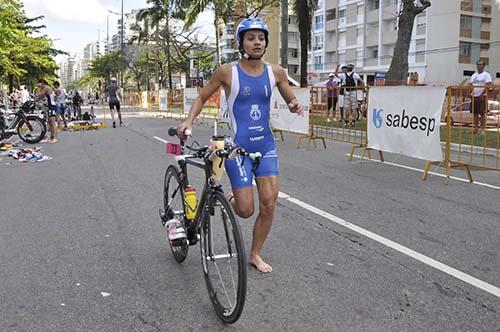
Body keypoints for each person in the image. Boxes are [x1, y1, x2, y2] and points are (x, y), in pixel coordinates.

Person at [177, 18, 303, 273]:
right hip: (238, 150)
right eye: (251, 38)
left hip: (266, 147)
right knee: (245, 210)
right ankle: (235, 197)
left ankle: (255, 254)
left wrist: (294, 104)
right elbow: (202, 96)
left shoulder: (276, 72)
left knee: (269, 202)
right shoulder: (227, 72)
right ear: (241, 42)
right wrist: (187, 121)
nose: (257, 42)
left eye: (261, 38)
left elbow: (290, 97)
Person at [469, 60, 492, 134]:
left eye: (481, 64)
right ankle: (476, 128)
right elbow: (471, 85)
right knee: (475, 113)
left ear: (483, 66)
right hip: (474, 96)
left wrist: (482, 94)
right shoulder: (474, 75)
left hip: (482, 96)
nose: (479, 66)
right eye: (478, 64)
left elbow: (489, 85)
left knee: (482, 113)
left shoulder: (486, 75)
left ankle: (482, 129)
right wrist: (469, 93)